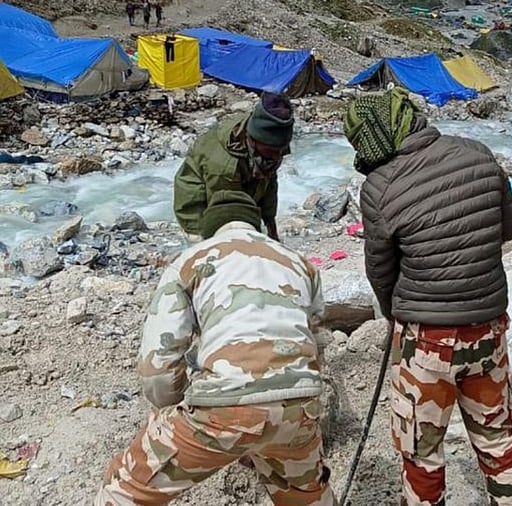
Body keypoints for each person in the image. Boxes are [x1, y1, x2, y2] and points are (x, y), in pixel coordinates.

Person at [342, 88, 512, 505]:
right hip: (488, 329)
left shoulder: (379, 187)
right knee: (497, 437)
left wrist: (394, 315)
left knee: (421, 451)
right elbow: (508, 229)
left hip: (427, 341)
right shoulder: (478, 153)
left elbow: (381, 272)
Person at [95, 190, 335, 505]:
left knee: (126, 488)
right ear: (256, 225)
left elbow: (158, 364)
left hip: (224, 405)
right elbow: (315, 340)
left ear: (209, 228)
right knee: (306, 498)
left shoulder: (190, 261)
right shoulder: (299, 263)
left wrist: (172, 410)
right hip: (300, 406)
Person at [174, 92, 294, 243]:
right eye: (271, 151)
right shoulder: (223, 166)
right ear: (253, 141)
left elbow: (269, 184)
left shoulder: (270, 143)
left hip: (245, 187)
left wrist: (271, 227)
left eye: (280, 151)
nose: (277, 157)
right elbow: (223, 213)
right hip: (201, 208)